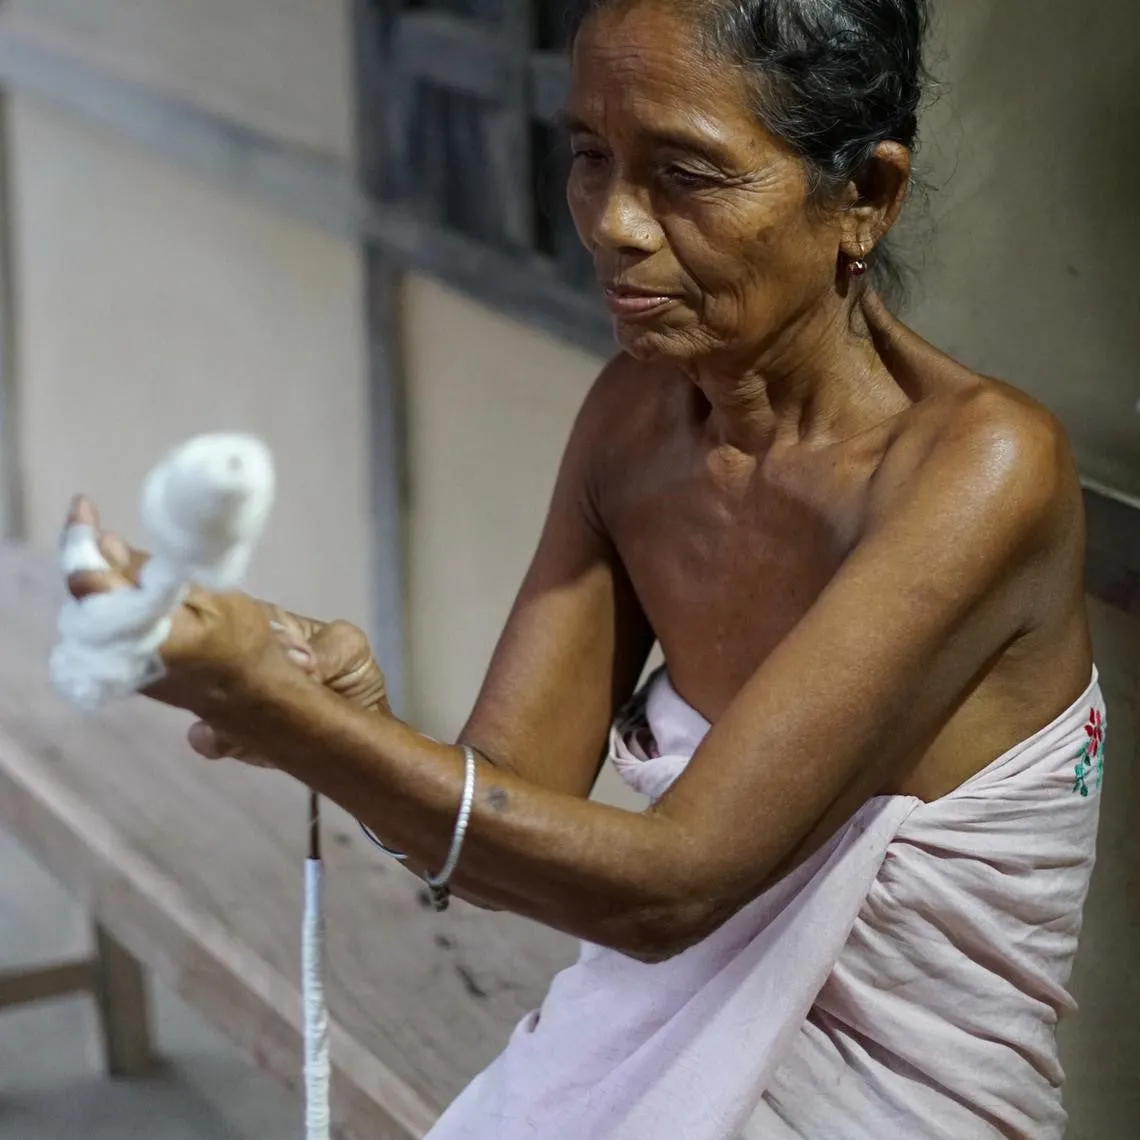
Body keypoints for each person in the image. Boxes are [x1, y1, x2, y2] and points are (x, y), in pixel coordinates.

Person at [64, 1, 1104, 1136]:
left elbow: (676, 889)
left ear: (865, 196)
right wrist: (329, 713)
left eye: (686, 175)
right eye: (589, 155)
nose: (613, 223)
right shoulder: (634, 424)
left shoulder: (980, 472)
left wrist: (298, 724)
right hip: (640, 1047)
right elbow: (507, 797)